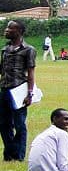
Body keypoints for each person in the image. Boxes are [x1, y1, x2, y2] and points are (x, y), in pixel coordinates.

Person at [1, 20, 36, 162]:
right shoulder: (5, 49)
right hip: (4, 90)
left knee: (19, 124)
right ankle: (9, 154)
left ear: (19, 32)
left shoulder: (28, 50)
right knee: (3, 124)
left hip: (19, 92)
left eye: (10, 28)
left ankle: (19, 155)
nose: (6, 30)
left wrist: (30, 93)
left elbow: (31, 73)